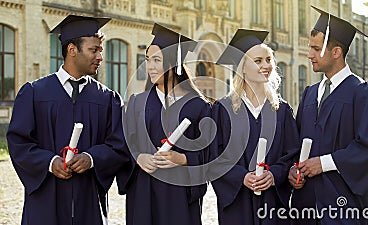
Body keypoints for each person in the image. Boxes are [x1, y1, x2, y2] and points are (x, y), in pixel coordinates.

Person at [6, 15, 129, 225]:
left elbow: (119, 146)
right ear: (72, 50)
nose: (100, 56)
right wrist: (49, 162)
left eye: (101, 50)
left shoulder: (107, 99)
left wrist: (92, 158)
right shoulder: (35, 93)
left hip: (88, 202)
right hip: (45, 202)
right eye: (94, 50)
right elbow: (19, 143)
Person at [288, 6, 368, 225]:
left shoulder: (362, 93)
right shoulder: (310, 93)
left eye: (315, 48)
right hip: (305, 208)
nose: (309, 54)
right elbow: (296, 143)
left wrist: (324, 163)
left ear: (336, 52)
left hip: (342, 206)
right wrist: (293, 170)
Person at [117, 23, 212, 225]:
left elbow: (211, 152)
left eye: (157, 60)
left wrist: (183, 158)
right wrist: (138, 157)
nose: (150, 66)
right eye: (147, 60)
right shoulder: (137, 103)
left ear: (173, 63)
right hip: (143, 191)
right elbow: (121, 143)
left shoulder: (199, 107)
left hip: (180, 195)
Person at [209, 29, 300, 225]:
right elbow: (213, 158)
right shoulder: (223, 110)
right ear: (242, 67)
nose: (266, 65)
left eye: (268, 60)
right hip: (237, 206)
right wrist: (241, 177)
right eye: (258, 61)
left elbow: (292, 154)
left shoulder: (281, 110)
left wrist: (274, 175)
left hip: (273, 205)